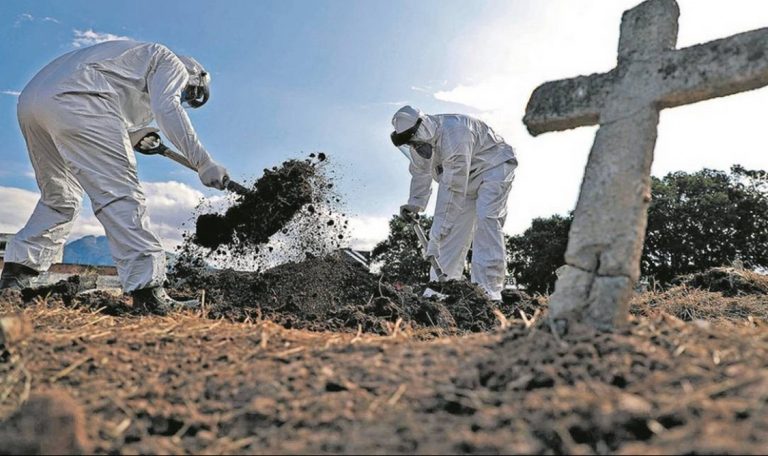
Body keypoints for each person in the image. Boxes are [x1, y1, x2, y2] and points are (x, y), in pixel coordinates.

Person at [0, 40, 229, 314]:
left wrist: (135, 136)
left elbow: (110, 107)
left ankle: (16, 277)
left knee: (61, 198)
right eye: (189, 95)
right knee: (122, 194)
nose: (185, 99)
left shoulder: (130, 61)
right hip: (80, 98)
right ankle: (149, 293)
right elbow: (167, 107)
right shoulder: (169, 61)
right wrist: (204, 162)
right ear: (195, 76)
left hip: (33, 102)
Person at [390, 105, 517, 301]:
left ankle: (487, 293)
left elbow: (452, 190)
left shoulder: (456, 133)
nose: (415, 147)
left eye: (414, 141)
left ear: (422, 127)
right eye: (410, 144)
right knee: (452, 234)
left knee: (487, 219)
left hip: (493, 168)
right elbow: (421, 174)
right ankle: (440, 293)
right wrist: (414, 203)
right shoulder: (419, 144)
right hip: (465, 181)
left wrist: (435, 236)